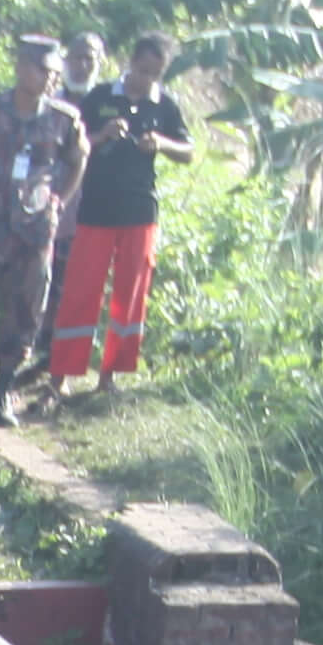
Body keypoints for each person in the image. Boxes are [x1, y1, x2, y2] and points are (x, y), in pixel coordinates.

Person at [0, 37, 85, 423]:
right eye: (43, 70)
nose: (50, 78)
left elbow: (78, 160)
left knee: (25, 313)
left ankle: (1, 394)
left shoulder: (64, 118)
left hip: (34, 233)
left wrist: (59, 199)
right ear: (22, 68)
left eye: (54, 72)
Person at [53, 29, 192, 388]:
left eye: (155, 74)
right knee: (81, 291)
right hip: (96, 209)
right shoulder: (99, 97)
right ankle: (61, 375)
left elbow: (188, 151)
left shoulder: (164, 104)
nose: (147, 80)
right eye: (143, 70)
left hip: (140, 211)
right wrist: (100, 137)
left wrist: (160, 143)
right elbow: (69, 146)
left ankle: (109, 375)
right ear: (130, 63)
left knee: (130, 296)